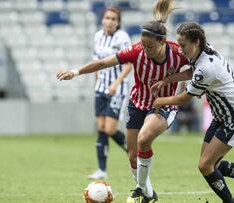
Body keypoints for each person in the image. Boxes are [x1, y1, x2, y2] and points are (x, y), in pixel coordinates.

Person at [56, 1, 188, 202]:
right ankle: (149, 194)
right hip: (138, 102)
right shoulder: (136, 51)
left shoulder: (178, 53)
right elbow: (102, 63)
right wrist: (75, 72)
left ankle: (140, 189)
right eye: (143, 45)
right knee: (132, 156)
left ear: (162, 43)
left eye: (150, 46)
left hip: (164, 104)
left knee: (144, 139)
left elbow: (197, 70)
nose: (146, 50)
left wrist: (171, 80)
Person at [151, 22, 234, 203]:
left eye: (183, 45)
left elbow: (184, 97)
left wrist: (160, 101)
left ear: (196, 42)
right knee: (211, 164)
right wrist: (167, 79)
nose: (180, 49)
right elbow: (191, 72)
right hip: (222, 115)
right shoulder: (203, 51)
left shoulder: (206, 68)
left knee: (205, 165)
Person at [87, 7, 132, 180]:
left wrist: (116, 83)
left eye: (114, 18)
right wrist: (96, 81)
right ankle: (102, 170)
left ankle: (133, 150)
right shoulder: (98, 36)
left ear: (118, 22)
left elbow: (129, 64)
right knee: (101, 128)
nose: (110, 21)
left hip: (117, 89)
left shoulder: (123, 38)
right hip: (100, 87)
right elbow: (95, 61)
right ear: (102, 20)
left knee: (110, 128)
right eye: (107, 18)